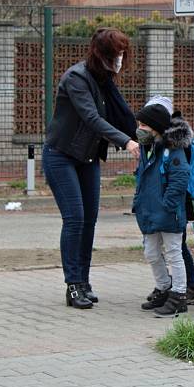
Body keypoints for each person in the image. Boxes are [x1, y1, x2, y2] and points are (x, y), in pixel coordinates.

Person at [43, 28, 141, 309]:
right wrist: (126, 142)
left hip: (87, 158)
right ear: (101, 54)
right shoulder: (76, 78)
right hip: (61, 155)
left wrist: (145, 134)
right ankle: (73, 285)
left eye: (123, 53)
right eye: (116, 54)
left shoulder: (104, 80)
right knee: (74, 218)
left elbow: (122, 114)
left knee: (89, 221)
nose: (120, 59)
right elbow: (91, 117)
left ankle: (84, 281)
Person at [132, 101, 190, 318]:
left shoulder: (173, 151)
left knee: (174, 253)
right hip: (148, 211)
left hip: (168, 212)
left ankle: (179, 295)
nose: (139, 128)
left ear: (155, 126)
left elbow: (179, 179)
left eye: (143, 124)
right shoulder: (148, 148)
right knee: (151, 252)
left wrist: (167, 204)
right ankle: (164, 287)